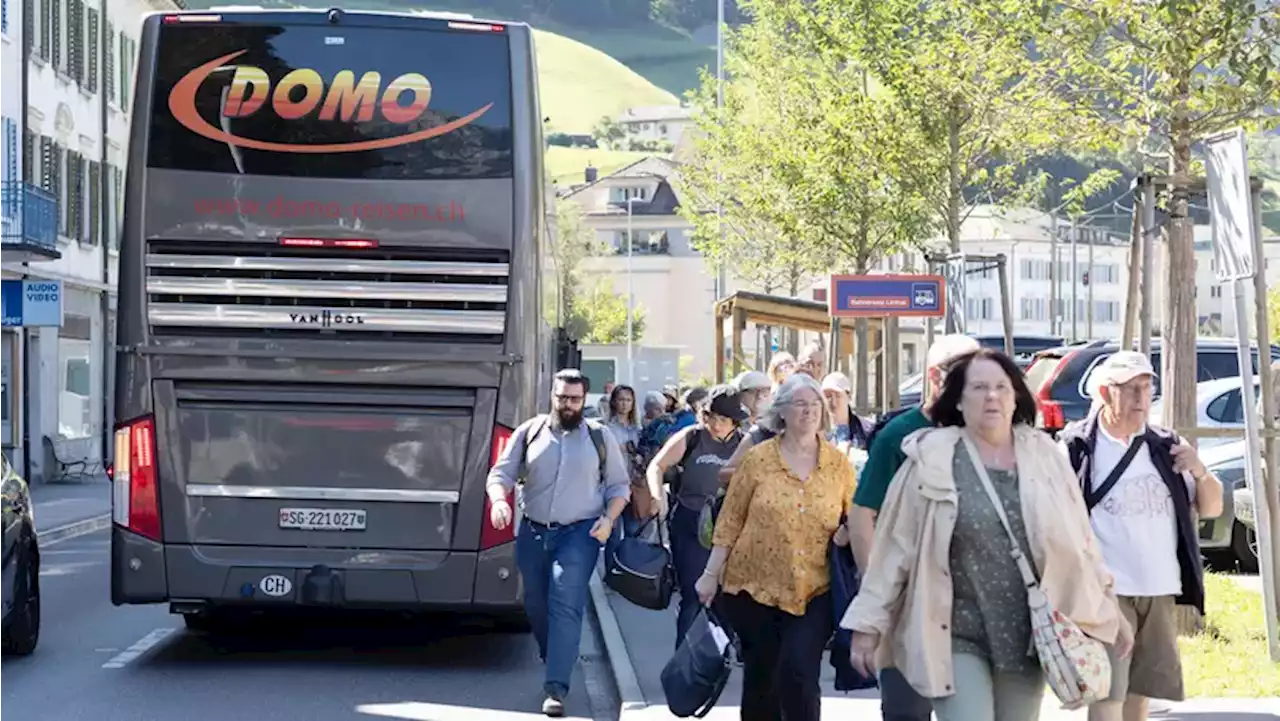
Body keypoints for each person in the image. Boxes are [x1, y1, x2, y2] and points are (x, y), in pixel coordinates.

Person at [844, 348, 1131, 721]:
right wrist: (867, 624)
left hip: (1029, 635)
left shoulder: (1044, 457)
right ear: (959, 401)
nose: (991, 396)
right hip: (953, 633)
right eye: (978, 387)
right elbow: (895, 549)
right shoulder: (931, 459)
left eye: (1001, 387)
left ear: (1016, 398)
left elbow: (1081, 544)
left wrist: (1109, 607)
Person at [1058, 352, 1224, 721]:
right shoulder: (1077, 447)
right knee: (1108, 697)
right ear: (1105, 392)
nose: (1140, 398)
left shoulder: (1165, 446)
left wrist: (1198, 470)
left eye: (1147, 388)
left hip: (1159, 588)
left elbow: (1212, 507)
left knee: (1139, 699)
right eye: (1130, 389)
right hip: (1104, 592)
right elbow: (1056, 521)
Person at [694, 373, 854, 721]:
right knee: (762, 678)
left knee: (799, 672)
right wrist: (710, 574)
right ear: (782, 412)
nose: (809, 412)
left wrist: (847, 533)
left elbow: (854, 514)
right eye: (800, 404)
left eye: (815, 405)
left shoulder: (838, 465)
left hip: (814, 588)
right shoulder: (758, 459)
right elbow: (731, 519)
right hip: (754, 588)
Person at [845, 333, 980, 721]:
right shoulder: (896, 436)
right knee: (907, 710)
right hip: (909, 603)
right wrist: (879, 593)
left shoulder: (985, 435)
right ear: (936, 376)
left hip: (969, 606)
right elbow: (862, 515)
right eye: (963, 373)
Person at [485, 369, 632, 717]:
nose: (567, 405)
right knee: (536, 602)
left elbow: (619, 486)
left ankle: (556, 688)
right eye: (562, 398)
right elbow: (500, 473)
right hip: (534, 531)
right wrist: (499, 500)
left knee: (566, 600)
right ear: (552, 396)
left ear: (585, 400)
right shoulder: (530, 432)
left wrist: (609, 519)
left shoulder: (599, 437)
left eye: (575, 399)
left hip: (580, 533)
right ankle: (556, 655)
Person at [645, 384, 748, 645]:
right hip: (690, 521)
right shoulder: (691, 437)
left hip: (730, 525)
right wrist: (658, 498)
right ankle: (684, 664)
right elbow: (657, 466)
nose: (715, 424)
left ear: (735, 422)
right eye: (711, 417)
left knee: (726, 597)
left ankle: (720, 657)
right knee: (694, 594)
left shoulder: (745, 444)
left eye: (723, 419)